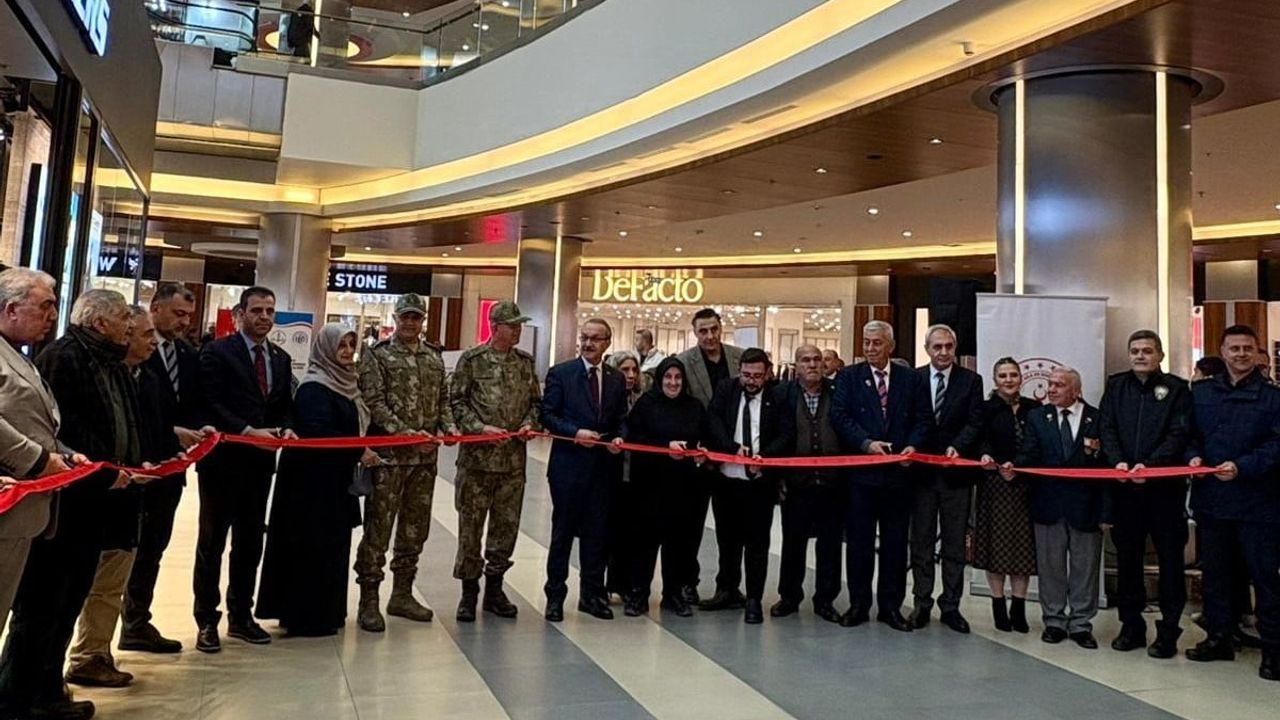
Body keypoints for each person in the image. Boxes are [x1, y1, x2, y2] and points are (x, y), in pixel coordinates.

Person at [0, 289, 143, 720]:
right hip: (55, 502)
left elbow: (58, 427)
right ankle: (17, 698)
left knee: (62, 605)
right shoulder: (63, 357)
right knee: (39, 608)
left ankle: (44, 692)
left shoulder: (98, 361)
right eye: (44, 306)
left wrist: (83, 459)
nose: (51, 315)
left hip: (75, 498)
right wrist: (63, 461)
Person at [65, 306, 167, 688]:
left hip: (128, 494)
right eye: (138, 331)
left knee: (111, 581)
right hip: (93, 494)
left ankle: (95, 652)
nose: (143, 340)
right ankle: (80, 657)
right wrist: (108, 468)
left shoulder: (128, 374)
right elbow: (73, 427)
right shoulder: (72, 362)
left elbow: (136, 426)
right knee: (79, 583)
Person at [193, 286, 296, 653]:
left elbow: (282, 405)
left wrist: (284, 427)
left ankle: (241, 615)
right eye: (257, 311)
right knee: (212, 543)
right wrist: (246, 431)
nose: (264, 317)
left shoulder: (280, 360)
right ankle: (207, 620)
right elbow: (209, 401)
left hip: (259, 467)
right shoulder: (218, 353)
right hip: (222, 464)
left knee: (250, 542)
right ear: (241, 314)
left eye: (270, 311)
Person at [353, 293, 458, 632]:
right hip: (389, 459)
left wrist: (449, 426)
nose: (411, 322)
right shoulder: (378, 355)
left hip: (424, 460)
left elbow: (443, 399)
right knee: (378, 529)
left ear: (423, 319)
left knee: (415, 528)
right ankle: (368, 599)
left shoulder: (433, 358)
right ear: (396, 319)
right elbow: (374, 402)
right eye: (406, 317)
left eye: (417, 317)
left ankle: (401, 594)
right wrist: (407, 432)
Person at [258, 324, 369, 637]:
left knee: (331, 548)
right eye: (341, 346)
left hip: (332, 483)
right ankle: (306, 615)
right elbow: (318, 433)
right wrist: (359, 450)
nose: (347, 351)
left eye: (351, 345)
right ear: (325, 349)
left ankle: (326, 611)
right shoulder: (315, 387)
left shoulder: (346, 383)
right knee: (311, 549)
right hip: (310, 488)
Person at [1184, 324, 1280, 681]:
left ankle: (1273, 650)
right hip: (1212, 501)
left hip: (1259, 504)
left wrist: (1243, 467)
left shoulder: (1273, 398)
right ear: (1222, 352)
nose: (1240, 354)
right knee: (1216, 578)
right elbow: (1189, 434)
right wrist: (1193, 457)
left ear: (1257, 353)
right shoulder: (1201, 393)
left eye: (1247, 348)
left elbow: (1276, 446)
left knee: (1265, 579)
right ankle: (1219, 638)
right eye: (1233, 348)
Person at [829, 320, 932, 632]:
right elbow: (840, 416)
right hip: (862, 477)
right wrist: (866, 444)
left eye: (876, 343)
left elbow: (923, 418)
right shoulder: (849, 376)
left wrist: (912, 446)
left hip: (899, 477)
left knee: (895, 544)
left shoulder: (911, 379)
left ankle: (890, 606)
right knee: (859, 542)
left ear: (891, 345)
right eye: (866, 342)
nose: (870, 348)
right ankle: (859, 604)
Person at [120, 283, 204, 655]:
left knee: (154, 547)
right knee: (124, 550)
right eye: (178, 313)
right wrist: (170, 432)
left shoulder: (186, 355)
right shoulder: (130, 351)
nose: (184, 322)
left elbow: (187, 405)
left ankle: (137, 621)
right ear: (155, 308)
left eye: (188, 315)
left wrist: (197, 430)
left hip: (170, 471)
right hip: (135, 468)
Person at [1099, 330, 1191, 659]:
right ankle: (1131, 625)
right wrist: (1119, 461)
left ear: (1160, 356)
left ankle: (1168, 630)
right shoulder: (1117, 387)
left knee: (1169, 561)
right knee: (1127, 561)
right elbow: (1105, 428)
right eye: (1135, 350)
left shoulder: (1178, 390)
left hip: (1164, 491)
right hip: (1126, 491)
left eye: (1147, 351)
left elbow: (1179, 433)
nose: (1140, 356)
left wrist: (1148, 466)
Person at [449, 301, 541, 622]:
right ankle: (468, 592)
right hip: (476, 463)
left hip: (512, 464)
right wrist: (479, 428)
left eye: (519, 325)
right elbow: (456, 402)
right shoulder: (472, 361)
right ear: (495, 326)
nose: (517, 330)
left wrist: (531, 424)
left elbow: (535, 404)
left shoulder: (525, 364)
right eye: (512, 324)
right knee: (470, 529)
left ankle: (494, 589)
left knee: (505, 528)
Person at [1004, 368, 1108, 649]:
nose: (1051, 389)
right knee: (1051, 567)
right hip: (1048, 505)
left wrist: (1106, 512)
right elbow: (1029, 452)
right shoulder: (1039, 417)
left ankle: (1081, 623)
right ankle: (1054, 620)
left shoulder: (1096, 418)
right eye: (1049, 384)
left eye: (1059, 385)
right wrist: (1016, 467)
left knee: (1084, 568)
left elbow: (1106, 467)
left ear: (1076, 389)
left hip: (1086, 507)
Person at [540, 318, 628, 621]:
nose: (588, 343)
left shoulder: (616, 379)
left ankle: (592, 594)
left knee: (597, 535)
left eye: (595, 339)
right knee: (563, 533)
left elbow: (621, 418)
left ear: (607, 343)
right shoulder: (561, 374)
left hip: (604, 470)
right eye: (584, 337)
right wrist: (575, 432)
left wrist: (620, 437)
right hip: (568, 468)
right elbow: (548, 415)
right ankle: (554, 596)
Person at [0, 269, 67, 638]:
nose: (52, 315)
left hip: (23, 511)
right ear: (12, 309)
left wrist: (65, 456)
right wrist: (39, 460)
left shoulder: (20, 355)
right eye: (45, 306)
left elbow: (33, 420)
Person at [615, 357, 708, 617]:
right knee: (644, 543)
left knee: (677, 544)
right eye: (668, 377)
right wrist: (665, 445)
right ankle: (638, 594)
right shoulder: (646, 404)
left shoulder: (694, 407)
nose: (673, 382)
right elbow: (635, 436)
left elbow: (704, 436)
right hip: (648, 487)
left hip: (683, 488)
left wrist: (700, 450)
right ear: (660, 379)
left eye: (678, 378)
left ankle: (673, 594)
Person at [909, 324, 984, 633]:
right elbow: (909, 418)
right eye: (937, 347)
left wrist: (960, 446)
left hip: (956, 476)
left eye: (948, 346)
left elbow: (975, 421)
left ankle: (951, 606)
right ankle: (921, 603)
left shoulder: (971, 381)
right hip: (922, 476)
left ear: (955, 348)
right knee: (922, 542)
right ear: (928, 349)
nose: (943, 352)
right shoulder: (913, 379)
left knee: (954, 545)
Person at [703, 348, 781, 624]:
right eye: (746, 375)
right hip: (727, 478)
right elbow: (713, 420)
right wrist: (731, 448)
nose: (751, 381)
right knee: (727, 539)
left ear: (768, 374)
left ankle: (754, 598)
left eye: (757, 376)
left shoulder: (778, 395)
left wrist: (767, 457)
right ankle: (727, 589)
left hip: (759, 483)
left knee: (757, 543)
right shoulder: (727, 389)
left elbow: (786, 433)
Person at [766, 344, 843, 623]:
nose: (812, 365)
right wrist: (777, 479)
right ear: (796, 366)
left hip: (833, 484)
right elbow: (774, 436)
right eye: (805, 360)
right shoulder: (781, 395)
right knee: (793, 542)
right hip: (796, 483)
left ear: (825, 365)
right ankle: (789, 596)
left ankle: (825, 599)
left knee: (831, 545)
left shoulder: (837, 394)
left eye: (817, 360)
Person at [674, 308, 744, 603]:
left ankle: (728, 584)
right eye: (703, 331)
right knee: (691, 523)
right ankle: (687, 581)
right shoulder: (684, 362)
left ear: (721, 328)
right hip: (699, 457)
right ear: (695, 332)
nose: (710, 336)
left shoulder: (740, 358)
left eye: (714, 329)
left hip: (734, 453)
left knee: (731, 527)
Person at [972, 357, 1039, 633]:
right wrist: (986, 456)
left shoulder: (1034, 409)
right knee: (996, 549)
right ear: (995, 379)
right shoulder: (985, 409)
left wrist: (1020, 465)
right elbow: (978, 437)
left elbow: (1037, 442)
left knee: (1022, 550)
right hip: (994, 485)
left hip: (1025, 485)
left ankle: (1019, 607)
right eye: (1003, 375)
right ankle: (998, 605)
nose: (1009, 380)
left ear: (1021, 377)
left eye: (1013, 375)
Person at [604, 350, 644, 598]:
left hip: (636, 476)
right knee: (608, 531)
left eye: (633, 370)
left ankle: (627, 583)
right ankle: (606, 583)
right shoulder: (607, 398)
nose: (630, 375)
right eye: (624, 370)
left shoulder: (642, 400)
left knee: (633, 533)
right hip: (611, 474)